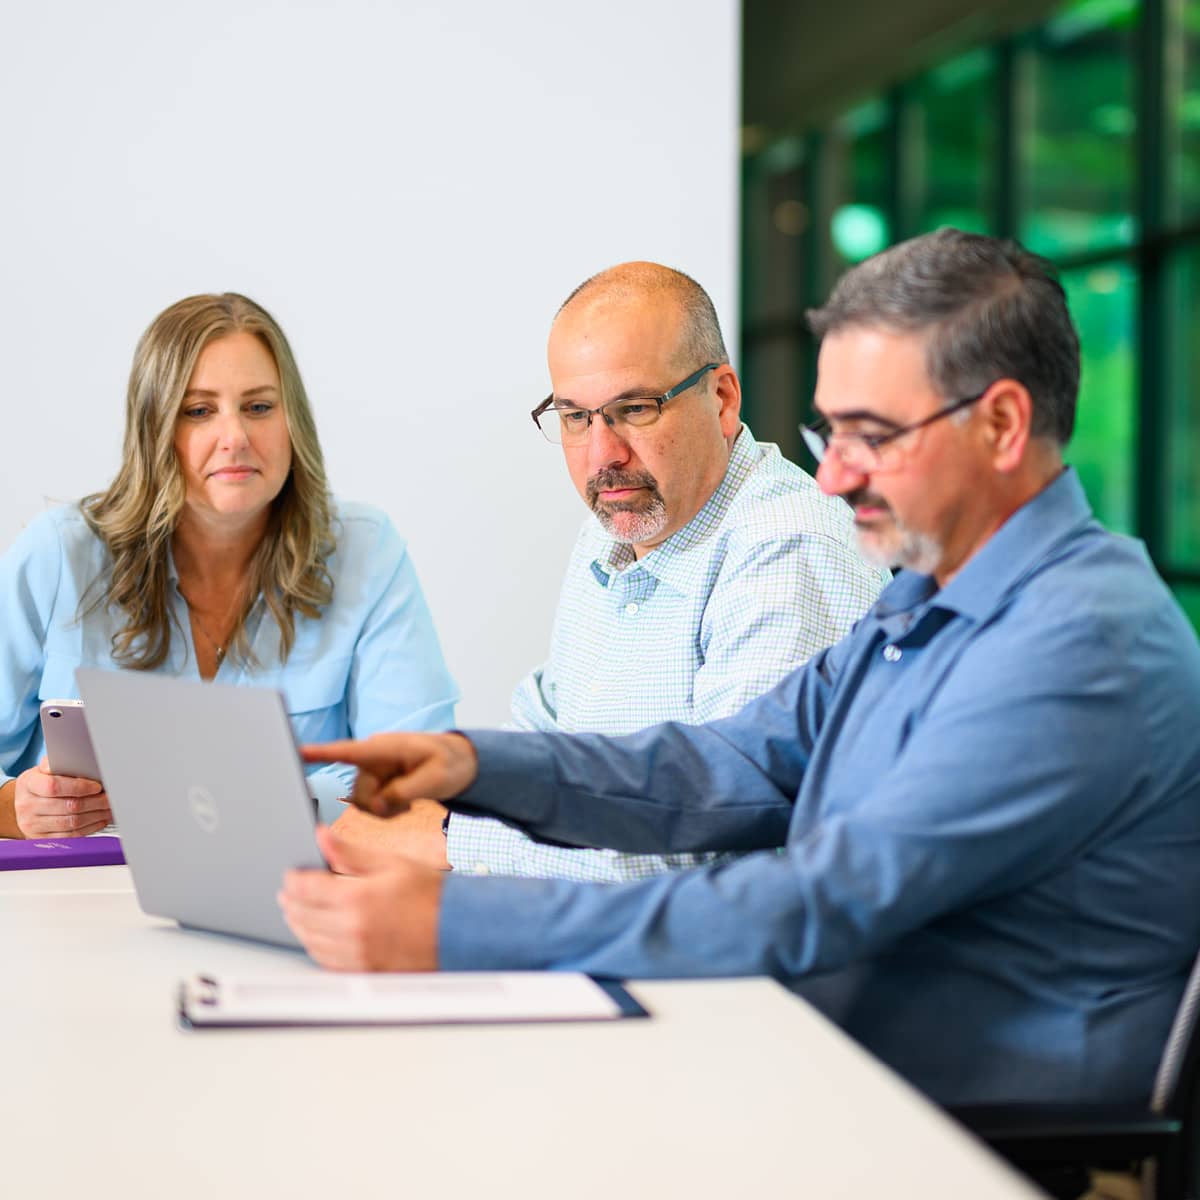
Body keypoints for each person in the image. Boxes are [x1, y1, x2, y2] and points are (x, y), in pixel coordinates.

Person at [280, 230, 1200, 1109]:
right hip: (819, 1056)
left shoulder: (1082, 642)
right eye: (826, 435)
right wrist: (480, 769)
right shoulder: (929, 595)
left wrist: (458, 921)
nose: (832, 479)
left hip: (954, 1122)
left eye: (870, 435)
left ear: (1001, 424)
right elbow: (734, 763)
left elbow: (820, 900)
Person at [339, 261, 886, 880]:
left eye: (635, 408)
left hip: (734, 967)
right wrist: (428, 802)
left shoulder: (785, 547)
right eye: (575, 417)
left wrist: (449, 840)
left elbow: (721, 839)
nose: (603, 455)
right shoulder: (623, 524)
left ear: (723, 399)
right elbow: (548, 731)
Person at [0, 293, 458, 839]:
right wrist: (17, 809)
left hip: (292, 898)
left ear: (294, 424)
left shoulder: (367, 551)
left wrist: (247, 801)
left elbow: (420, 783)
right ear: (155, 430)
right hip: (77, 902)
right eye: (199, 411)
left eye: (259, 407)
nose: (235, 438)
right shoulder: (58, 555)